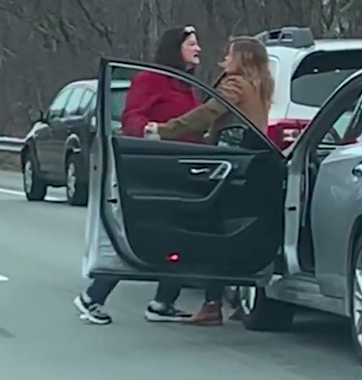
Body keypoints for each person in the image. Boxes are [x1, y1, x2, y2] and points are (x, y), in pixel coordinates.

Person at [74, 25, 202, 325]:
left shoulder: (185, 84)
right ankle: (93, 296)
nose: (198, 49)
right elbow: (133, 118)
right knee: (146, 236)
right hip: (156, 169)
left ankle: (163, 302)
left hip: (183, 170)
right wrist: (151, 133)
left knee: (180, 238)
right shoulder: (151, 79)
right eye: (192, 44)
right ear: (175, 48)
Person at [144, 36, 275, 326]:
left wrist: (165, 131)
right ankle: (242, 298)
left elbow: (208, 113)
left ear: (241, 59)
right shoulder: (261, 86)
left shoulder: (235, 84)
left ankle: (211, 303)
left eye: (229, 55)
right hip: (251, 165)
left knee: (209, 233)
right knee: (243, 233)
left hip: (226, 168)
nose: (224, 60)